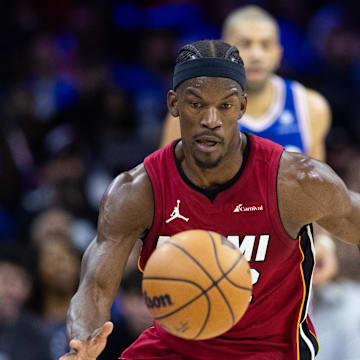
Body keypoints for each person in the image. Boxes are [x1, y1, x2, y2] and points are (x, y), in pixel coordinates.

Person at [60, 40, 360, 360]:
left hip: (269, 350)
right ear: (174, 104)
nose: (211, 120)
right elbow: (94, 287)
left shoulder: (296, 182)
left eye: (226, 106)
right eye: (196, 104)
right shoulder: (137, 190)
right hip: (176, 346)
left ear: (243, 107)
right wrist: (83, 340)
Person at [160, 6, 331, 162]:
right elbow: (168, 184)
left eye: (265, 45)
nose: (256, 55)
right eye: (245, 44)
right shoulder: (190, 109)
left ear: (278, 53)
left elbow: (315, 188)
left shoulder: (310, 107)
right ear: (223, 50)